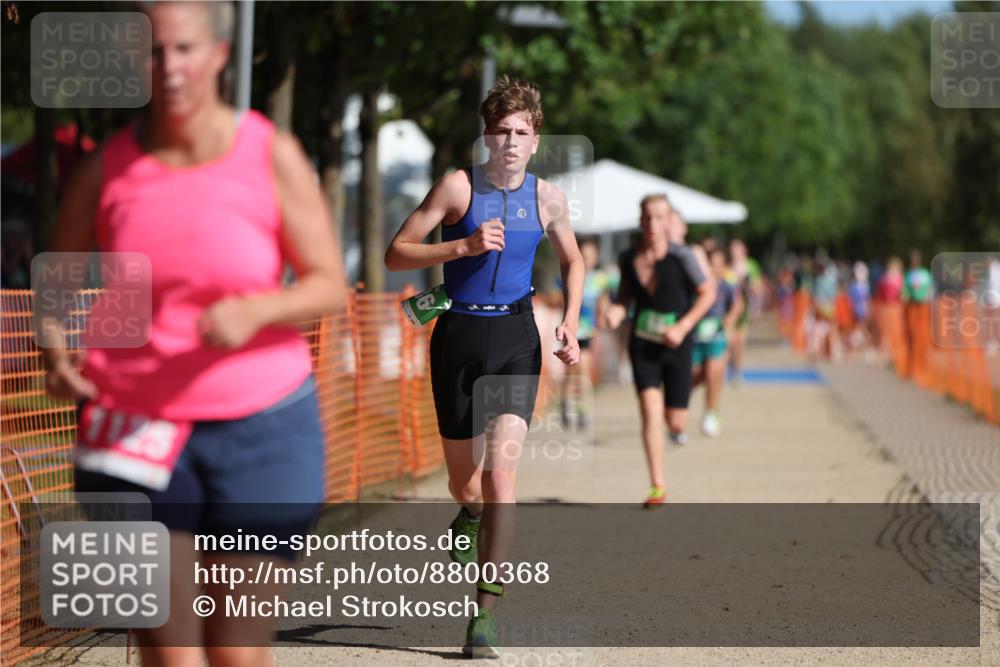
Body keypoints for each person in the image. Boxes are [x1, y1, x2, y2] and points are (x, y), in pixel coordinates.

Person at [37, 3, 346, 666]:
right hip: (133, 426)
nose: (169, 67)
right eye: (152, 52)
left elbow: (327, 283)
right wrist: (57, 354)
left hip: (264, 426)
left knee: (236, 651)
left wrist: (257, 311)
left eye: (184, 49)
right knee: (169, 647)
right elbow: (55, 285)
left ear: (219, 54)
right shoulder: (106, 170)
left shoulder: (270, 154)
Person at [385, 75, 583, 657]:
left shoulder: (548, 198)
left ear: (536, 140)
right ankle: (468, 512)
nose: (511, 142)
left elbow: (573, 260)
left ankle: (484, 614)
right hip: (458, 335)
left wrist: (571, 320)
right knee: (464, 482)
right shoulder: (457, 187)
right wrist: (462, 247)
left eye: (522, 132)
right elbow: (396, 253)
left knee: (502, 477)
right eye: (501, 131)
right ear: (486, 136)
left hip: (517, 339)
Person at [604, 196, 714, 508]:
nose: (653, 224)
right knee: (650, 410)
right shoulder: (628, 258)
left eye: (659, 217)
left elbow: (707, 293)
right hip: (643, 344)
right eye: (648, 218)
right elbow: (625, 297)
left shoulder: (682, 256)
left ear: (669, 221)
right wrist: (616, 311)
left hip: (677, 344)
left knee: (676, 422)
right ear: (641, 221)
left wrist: (683, 326)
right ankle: (657, 485)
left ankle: (680, 405)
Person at [558, 237, 610, 429]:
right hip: (570, 331)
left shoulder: (600, 279)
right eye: (584, 256)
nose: (588, 260)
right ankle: (565, 403)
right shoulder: (567, 275)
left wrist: (602, 317)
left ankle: (582, 410)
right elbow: (556, 297)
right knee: (570, 372)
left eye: (591, 256)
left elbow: (603, 301)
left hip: (587, 331)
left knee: (584, 371)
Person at [691, 247, 743, 437]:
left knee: (714, 371)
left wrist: (729, 321)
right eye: (711, 264)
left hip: (717, 337)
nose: (715, 268)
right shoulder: (695, 286)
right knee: (696, 374)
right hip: (695, 338)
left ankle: (711, 413)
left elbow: (737, 305)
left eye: (719, 264)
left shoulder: (726, 286)